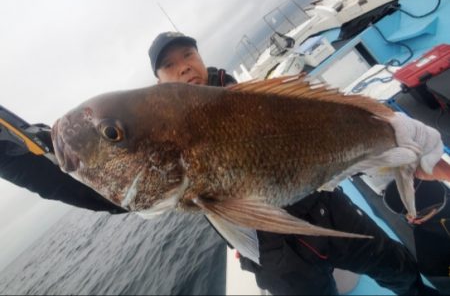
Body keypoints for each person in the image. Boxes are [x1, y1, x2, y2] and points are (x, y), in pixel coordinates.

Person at [0, 31, 438, 295]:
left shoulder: (256, 98)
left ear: (200, 58)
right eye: (170, 65)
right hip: (274, 258)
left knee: (396, 264)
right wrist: (14, 157)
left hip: (329, 210)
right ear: (160, 82)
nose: (184, 67)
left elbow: (330, 125)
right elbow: (105, 189)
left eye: (187, 55)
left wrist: (392, 125)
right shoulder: (162, 137)